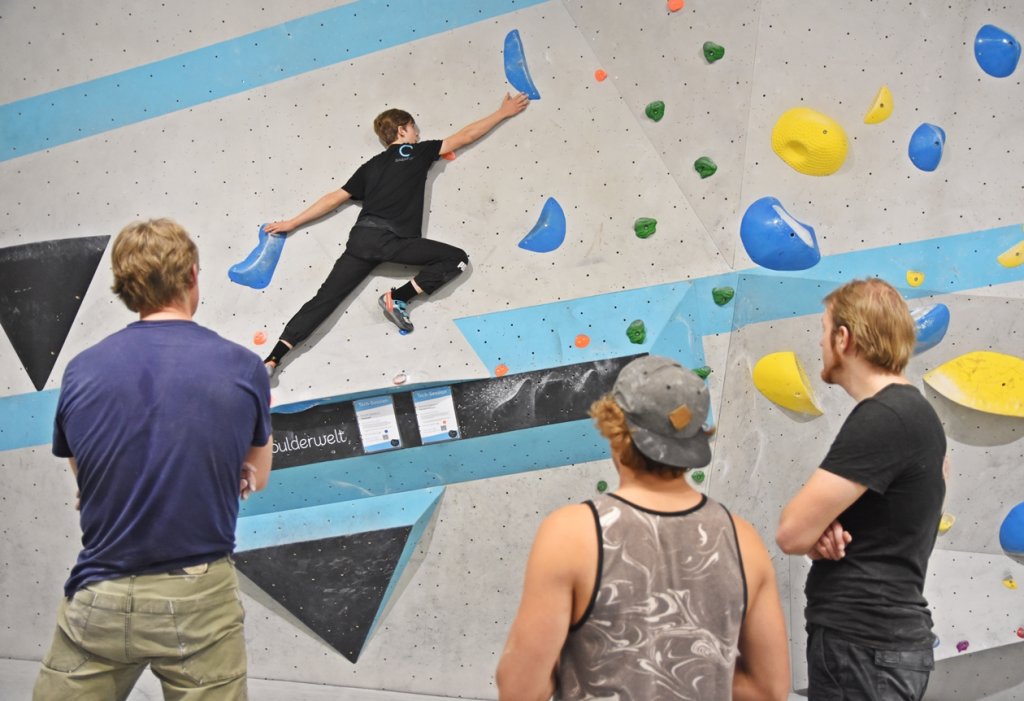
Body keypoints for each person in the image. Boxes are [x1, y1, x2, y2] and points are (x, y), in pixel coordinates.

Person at [34, 219, 273, 700]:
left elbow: (84, 474)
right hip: (198, 596)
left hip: (99, 592)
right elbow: (257, 475)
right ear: (191, 276)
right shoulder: (243, 367)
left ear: (126, 289)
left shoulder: (82, 368)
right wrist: (232, 474)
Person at [496, 355, 790, 701]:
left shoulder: (573, 534)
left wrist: (589, 664)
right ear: (695, 436)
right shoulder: (742, 539)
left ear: (614, 425)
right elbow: (768, 690)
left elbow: (519, 688)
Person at [262, 92, 530, 373]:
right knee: (456, 259)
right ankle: (399, 297)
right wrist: (503, 112)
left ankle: (273, 359)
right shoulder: (414, 152)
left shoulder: (371, 166)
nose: (417, 134)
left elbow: (334, 198)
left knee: (324, 300)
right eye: (414, 128)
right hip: (390, 240)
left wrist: (292, 222)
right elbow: (464, 136)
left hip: (361, 241)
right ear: (402, 130)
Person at [775, 278, 947, 700]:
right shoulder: (912, 412)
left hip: (864, 645)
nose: (819, 343)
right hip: (877, 645)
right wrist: (822, 531)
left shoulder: (884, 416)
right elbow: (882, 525)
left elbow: (791, 533)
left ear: (843, 337)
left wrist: (812, 532)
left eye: (823, 330)